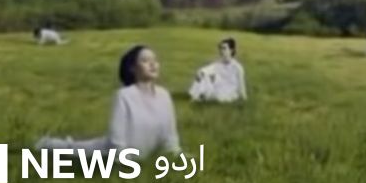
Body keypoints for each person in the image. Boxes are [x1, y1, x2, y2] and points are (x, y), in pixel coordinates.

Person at [35, 45, 181, 157]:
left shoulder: (164, 95)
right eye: (145, 61)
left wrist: (176, 154)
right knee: (74, 149)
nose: (153, 64)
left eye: (155, 60)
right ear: (132, 68)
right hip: (109, 151)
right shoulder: (124, 96)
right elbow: (116, 140)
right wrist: (124, 162)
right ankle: (47, 144)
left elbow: (170, 135)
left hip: (144, 155)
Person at [187, 38, 248, 103]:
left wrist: (244, 98)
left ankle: (201, 96)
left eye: (224, 48)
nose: (221, 51)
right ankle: (197, 96)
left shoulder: (237, 67)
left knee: (211, 82)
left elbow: (241, 86)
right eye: (220, 48)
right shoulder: (218, 64)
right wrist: (200, 72)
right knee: (204, 75)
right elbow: (206, 70)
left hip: (229, 93)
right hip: (218, 88)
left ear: (231, 50)